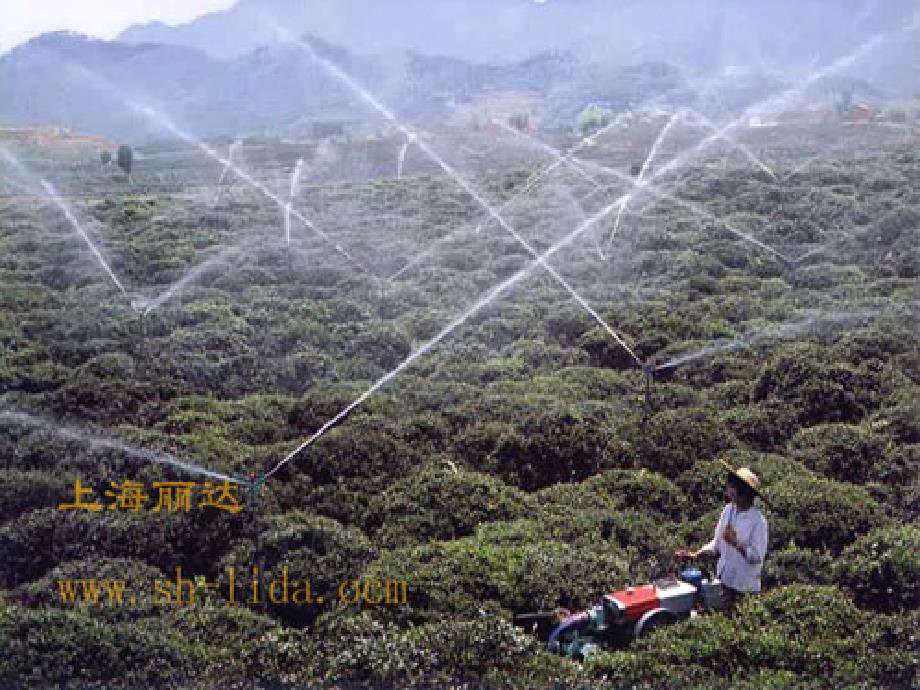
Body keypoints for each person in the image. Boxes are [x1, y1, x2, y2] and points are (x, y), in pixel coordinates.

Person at [675, 460, 769, 613]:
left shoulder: (758, 521)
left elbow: (757, 557)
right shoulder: (728, 511)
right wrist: (696, 554)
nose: (729, 490)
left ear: (743, 492)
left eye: (732, 487)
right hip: (725, 581)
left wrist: (737, 544)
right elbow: (717, 543)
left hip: (744, 588)